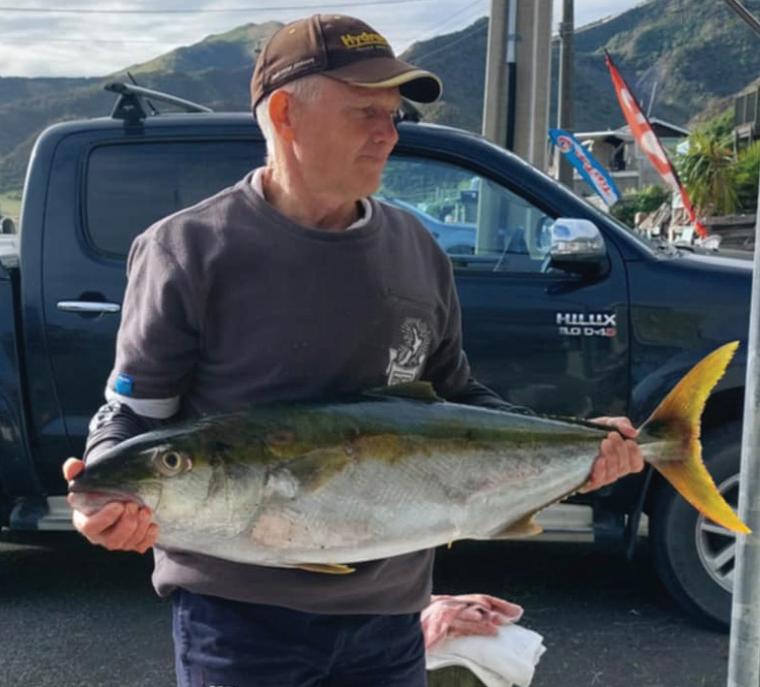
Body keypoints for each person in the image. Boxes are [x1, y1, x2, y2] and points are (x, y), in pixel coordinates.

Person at [63, 14, 644, 687]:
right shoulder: (188, 249)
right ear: (286, 113)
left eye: (393, 114)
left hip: (391, 615)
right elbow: (133, 414)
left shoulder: (416, 249)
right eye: (365, 111)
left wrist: (578, 447)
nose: (388, 133)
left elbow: (456, 400)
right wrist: (102, 491)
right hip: (238, 620)